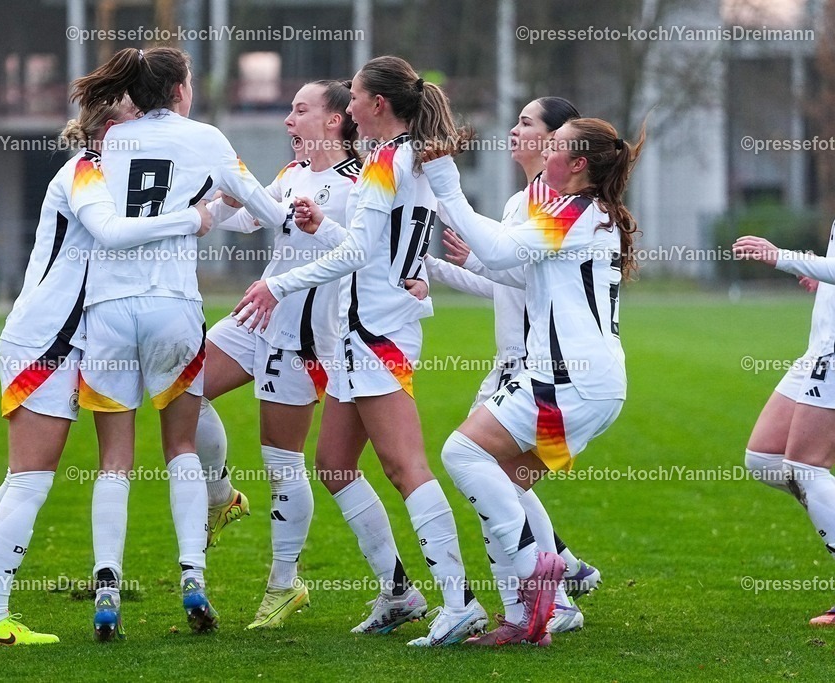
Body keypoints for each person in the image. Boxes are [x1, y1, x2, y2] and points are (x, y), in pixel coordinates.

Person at [234, 55, 488, 646]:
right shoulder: (407, 157)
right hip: (361, 331)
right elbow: (371, 245)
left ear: (377, 105)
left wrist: (278, 282)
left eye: (353, 98)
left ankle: (460, 601)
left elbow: (356, 257)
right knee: (334, 464)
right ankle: (400, 593)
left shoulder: (389, 160)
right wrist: (327, 228)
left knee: (405, 467)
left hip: (377, 335)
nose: (346, 108)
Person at [0, 93, 212, 646]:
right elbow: (114, 232)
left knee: (19, 479)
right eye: (136, 126)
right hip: (48, 341)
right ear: (108, 131)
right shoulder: (85, 173)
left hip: (59, 340)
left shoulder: (111, 174)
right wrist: (193, 218)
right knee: (31, 480)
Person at [70, 46, 288, 635]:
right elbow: (268, 211)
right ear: (179, 89)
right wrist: (222, 205)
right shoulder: (206, 138)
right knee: (182, 449)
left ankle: (107, 584)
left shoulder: (105, 143)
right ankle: (192, 575)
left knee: (113, 459)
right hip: (173, 307)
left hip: (109, 310)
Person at [424, 117, 644, 646]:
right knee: (508, 480)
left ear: (578, 163)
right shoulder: (586, 214)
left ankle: (536, 574)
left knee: (461, 453)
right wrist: (444, 264)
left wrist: (445, 177)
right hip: (596, 386)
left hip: (565, 381)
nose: (545, 149)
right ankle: (537, 615)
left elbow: (502, 252)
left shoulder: (573, 211)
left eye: (557, 143)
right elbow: (515, 271)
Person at [197, 79, 365, 629]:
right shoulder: (292, 174)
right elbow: (249, 216)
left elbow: (362, 256)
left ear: (336, 120)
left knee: (281, 459)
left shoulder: (357, 183)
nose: (288, 120)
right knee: (182, 385)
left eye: (300, 110)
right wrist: (209, 201)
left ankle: (284, 583)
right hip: (258, 315)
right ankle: (222, 496)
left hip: (305, 337)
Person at [733, 231, 835, 626]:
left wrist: (782, 257)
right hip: (819, 347)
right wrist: (824, 281)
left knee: (805, 467)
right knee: (764, 457)